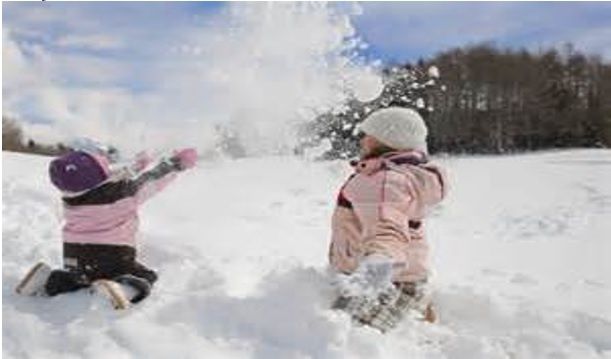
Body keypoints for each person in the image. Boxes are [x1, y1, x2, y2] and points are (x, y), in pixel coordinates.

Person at [16, 146, 198, 308]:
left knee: (77, 279)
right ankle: (121, 288)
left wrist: (138, 164)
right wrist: (176, 164)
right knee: (145, 276)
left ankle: (47, 281)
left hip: (74, 254)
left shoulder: (71, 200)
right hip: (111, 255)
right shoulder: (122, 195)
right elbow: (151, 180)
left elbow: (114, 177)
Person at [329, 107, 447, 332]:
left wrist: (379, 262)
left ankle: (417, 322)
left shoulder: (383, 181)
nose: (362, 140)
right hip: (402, 278)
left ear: (383, 140)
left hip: (386, 283)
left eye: (367, 135)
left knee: (343, 336)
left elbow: (387, 226)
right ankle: (417, 313)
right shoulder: (404, 175)